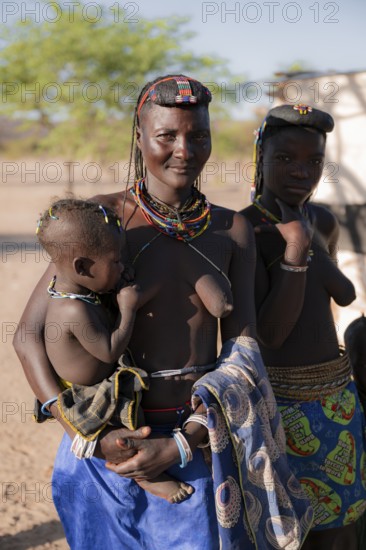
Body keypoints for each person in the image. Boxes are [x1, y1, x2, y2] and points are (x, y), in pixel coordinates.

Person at [14, 76, 311, 549]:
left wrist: (185, 440)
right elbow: (28, 335)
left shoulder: (231, 229)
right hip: (108, 450)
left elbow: (244, 349)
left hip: (196, 444)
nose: (184, 150)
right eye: (166, 136)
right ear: (138, 136)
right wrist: (86, 431)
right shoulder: (101, 223)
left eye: (198, 136)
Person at [241, 103, 366, 550]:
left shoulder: (323, 221)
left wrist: (310, 239)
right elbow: (270, 334)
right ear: (261, 159)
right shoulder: (246, 231)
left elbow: (346, 294)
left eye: (313, 161)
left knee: (342, 528)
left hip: (336, 399)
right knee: (283, 530)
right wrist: (294, 247)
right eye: (285, 159)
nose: (301, 171)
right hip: (278, 406)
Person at [35, 197, 194, 504]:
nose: (122, 266)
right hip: (89, 396)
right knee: (125, 438)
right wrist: (128, 309)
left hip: (97, 382)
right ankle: (146, 475)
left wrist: (115, 281)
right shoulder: (71, 311)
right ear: (82, 267)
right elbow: (109, 350)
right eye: (116, 261)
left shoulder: (79, 290)